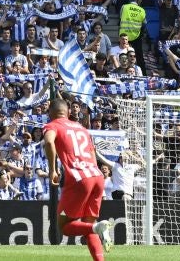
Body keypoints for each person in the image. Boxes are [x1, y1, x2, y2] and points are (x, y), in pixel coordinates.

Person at [42, 97, 113, 260]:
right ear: (67, 112)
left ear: (50, 113)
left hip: (79, 179)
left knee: (65, 227)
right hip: (96, 176)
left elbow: (49, 142)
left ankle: (98, 227)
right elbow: (92, 151)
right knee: (87, 226)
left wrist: (52, 169)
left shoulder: (52, 126)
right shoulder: (81, 128)